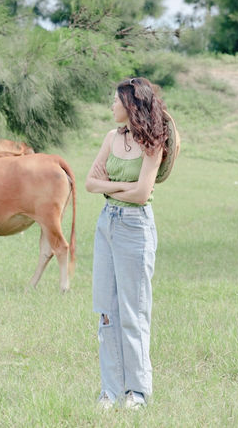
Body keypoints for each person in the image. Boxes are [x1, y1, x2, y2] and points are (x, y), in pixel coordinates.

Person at [85, 76, 179, 411]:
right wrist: (118, 189)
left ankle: (136, 392)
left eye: (116, 100)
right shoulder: (111, 138)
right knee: (106, 312)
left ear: (131, 105)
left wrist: (112, 187)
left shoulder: (154, 143)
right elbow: (90, 183)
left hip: (135, 228)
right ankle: (109, 390)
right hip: (107, 224)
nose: (111, 105)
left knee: (133, 312)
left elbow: (142, 194)